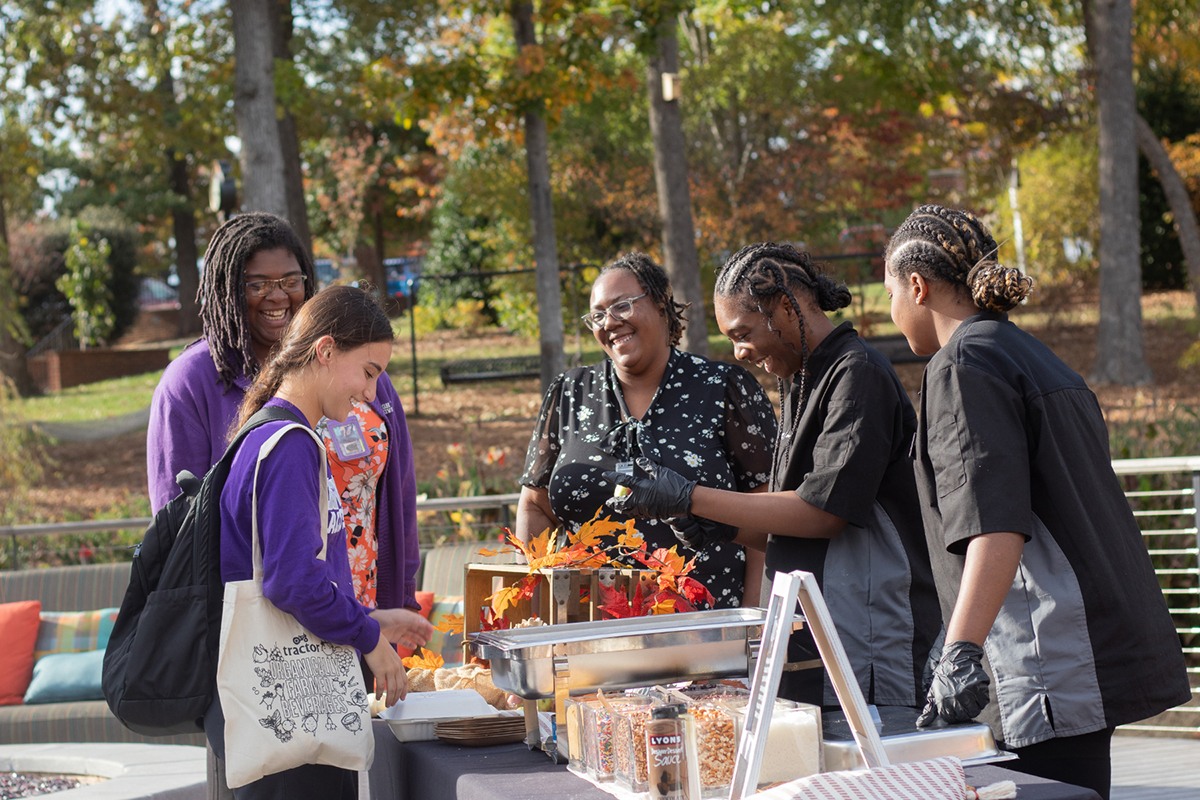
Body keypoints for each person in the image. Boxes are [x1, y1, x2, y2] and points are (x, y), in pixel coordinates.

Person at [883, 204, 1189, 799]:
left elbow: (994, 526)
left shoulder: (963, 364)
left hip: (1043, 654)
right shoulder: (1031, 353)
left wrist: (960, 650)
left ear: (916, 287)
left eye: (892, 291)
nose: (893, 312)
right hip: (1079, 642)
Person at [606, 243, 941, 710]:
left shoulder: (857, 374)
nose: (739, 352)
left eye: (742, 333)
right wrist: (723, 527)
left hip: (866, 644)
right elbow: (792, 528)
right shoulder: (799, 381)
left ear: (785, 307)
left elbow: (824, 514)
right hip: (807, 638)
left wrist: (692, 496)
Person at [205, 285, 433, 799]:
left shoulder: (268, 433)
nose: (373, 394)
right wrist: (367, 637)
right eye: (369, 372)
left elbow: (289, 578)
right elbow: (292, 583)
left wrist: (373, 620)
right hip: (292, 718)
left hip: (279, 708)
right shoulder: (291, 446)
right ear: (326, 351)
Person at [147, 213, 423, 624]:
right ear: (227, 289)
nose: (278, 296)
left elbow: (398, 498)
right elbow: (179, 526)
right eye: (256, 284)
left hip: (366, 621)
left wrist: (399, 602)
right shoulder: (191, 382)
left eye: (291, 281)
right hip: (261, 631)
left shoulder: (362, 374)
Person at [516, 252, 777, 608]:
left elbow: (767, 511)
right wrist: (537, 605)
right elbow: (535, 504)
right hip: (589, 628)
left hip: (706, 626)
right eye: (597, 315)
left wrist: (754, 622)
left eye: (622, 306)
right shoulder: (569, 393)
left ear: (660, 305)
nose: (609, 322)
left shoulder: (724, 387)